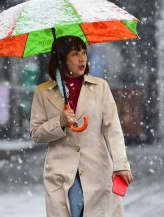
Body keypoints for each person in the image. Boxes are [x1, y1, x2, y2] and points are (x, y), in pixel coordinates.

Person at [30, 36, 133, 217]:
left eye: (84, 53)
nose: (82, 59)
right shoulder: (43, 92)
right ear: (61, 59)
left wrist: (120, 165)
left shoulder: (100, 87)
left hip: (96, 169)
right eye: (75, 54)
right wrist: (60, 122)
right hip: (61, 172)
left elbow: (113, 129)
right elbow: (36, 133)